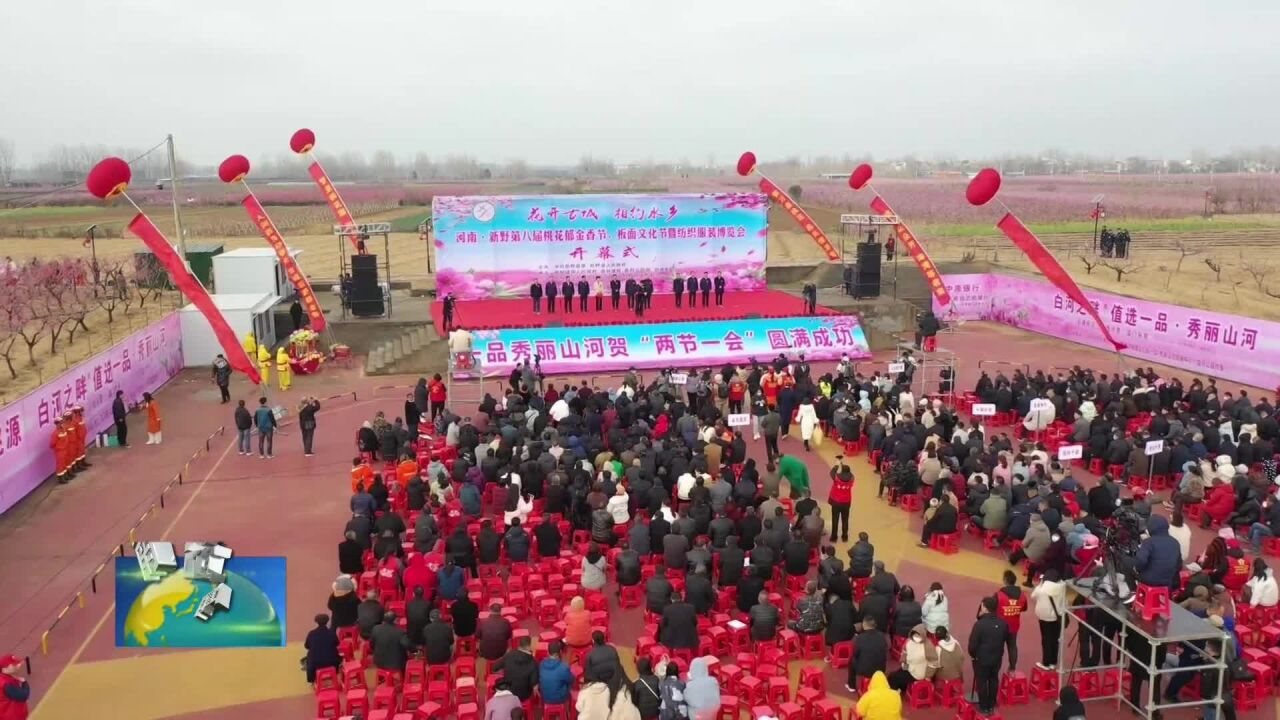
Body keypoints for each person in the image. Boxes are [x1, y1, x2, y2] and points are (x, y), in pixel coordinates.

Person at [968, 596, 1016, 716]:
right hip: (997, 659)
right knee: (994, 679)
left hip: (982, 660)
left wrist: (973, 655)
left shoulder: (979, 625)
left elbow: (972, 645)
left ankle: (984, 707)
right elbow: (1007, 640)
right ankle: (992, 703)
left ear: (984, 607)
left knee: (982, 682)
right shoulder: (1003, 623)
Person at [1032, 569, 1068, 670]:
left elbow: (1033, 596)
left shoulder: (1042, 589)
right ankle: (1053, 662)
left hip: (1044, 617)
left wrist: (1040, 584)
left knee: (1046, 640)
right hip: (1057, 618)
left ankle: (1046, 663)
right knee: (1054, 640)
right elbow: (1065, 603)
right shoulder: (1062, 587)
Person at [848, 616, 889, 690]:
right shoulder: (882, 636)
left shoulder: (859, 638)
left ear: (864, 625)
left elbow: (855, 654)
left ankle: (851, 686)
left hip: (865, 670)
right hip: (881, 669)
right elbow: (886, 648)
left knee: (851, 661)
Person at [496, 636, 539, 702]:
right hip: (524, 695)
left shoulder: (509, 655)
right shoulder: (533, 662)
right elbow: (534, 684)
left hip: (508, 691)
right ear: (528, 647)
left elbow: (496, 667)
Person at [304, 613, 340, 684]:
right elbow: (337, 643)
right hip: (331, 662)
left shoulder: (311, 633)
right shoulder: (331, 632)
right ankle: (334, 673)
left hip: (316, 664)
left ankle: (311, 679)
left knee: (309, 655)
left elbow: (307, 646)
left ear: (316, 622)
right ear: (327, 621)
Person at [539, 641, 576, 710]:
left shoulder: (542, 664)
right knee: (570, 681)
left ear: (548, 652)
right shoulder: (563, 667)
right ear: (559, 653)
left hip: (544, 697)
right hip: (559, 699)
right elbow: (571, 680)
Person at [828, 461, 853, 542]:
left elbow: (831, 472)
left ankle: (834, 537)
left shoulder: (836, 478)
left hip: (836, 502)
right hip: (846, 502)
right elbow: (850, 473)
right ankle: (844, 537)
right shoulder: (852, 478)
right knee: (845, 520)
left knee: (835, 519)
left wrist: (837, 465)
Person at [0, 654, 31, 718]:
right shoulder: (5, 684)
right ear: (5, 667)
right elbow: (23, 696)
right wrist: (24, 682)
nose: (16, 666)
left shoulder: (6, 676)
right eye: (13, 664)